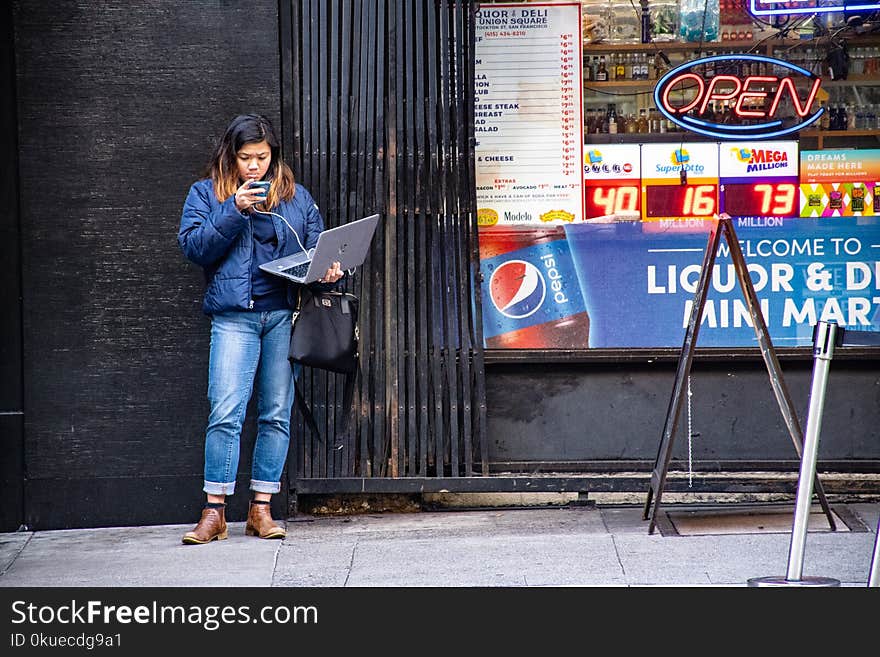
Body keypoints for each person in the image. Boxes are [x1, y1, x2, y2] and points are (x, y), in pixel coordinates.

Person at [178, 113, 343, 544]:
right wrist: (233, 210)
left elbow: (316, 247)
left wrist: (329, 271)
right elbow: (194, 247)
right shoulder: (206, 194)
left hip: (283, 317)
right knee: (225, 411)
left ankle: (261, 508)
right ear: (230, 156)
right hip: (234, 317)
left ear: (274, 157)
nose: (254, 166)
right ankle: (214, 512)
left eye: (262, 158)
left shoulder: (295, 197)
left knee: (275, 413)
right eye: (246, 157)